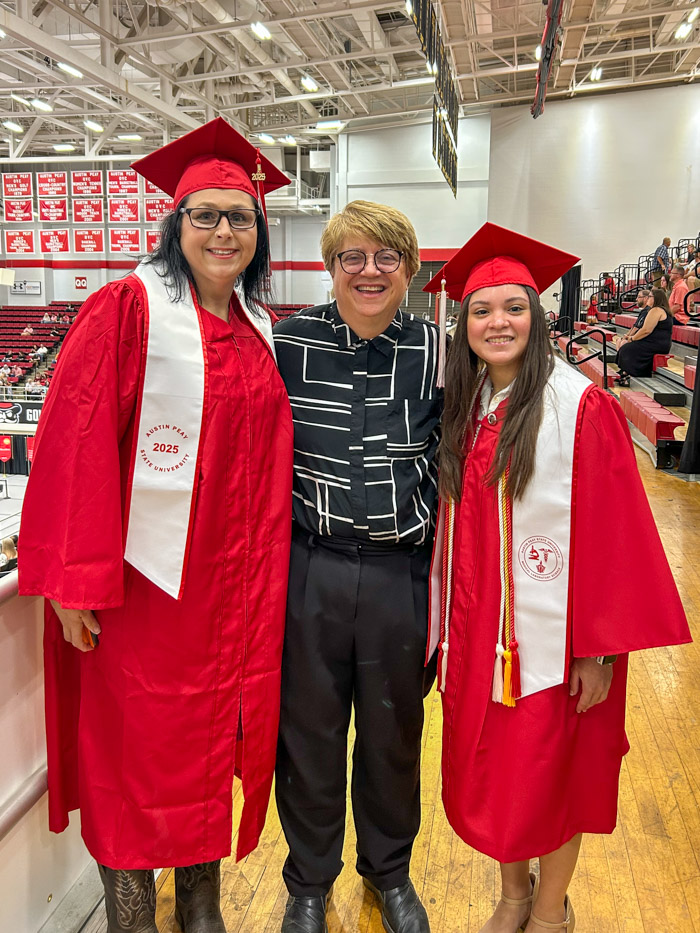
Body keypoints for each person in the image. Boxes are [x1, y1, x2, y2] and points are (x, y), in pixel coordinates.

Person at [19, 118, 295, 933]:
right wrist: (71, 583)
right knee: (136, 754)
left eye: (239, 217)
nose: (222, 231)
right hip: (144, 593)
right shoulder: (127, 311)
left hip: (232, 593)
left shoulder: (257, 329)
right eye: (205, 215)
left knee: (212, 742)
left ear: (258, 232)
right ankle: (133, 917)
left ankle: (200, 903)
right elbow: (73, 440)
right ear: (176, 224)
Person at [424, 223, 691, 933]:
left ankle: (549, 909)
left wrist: (600, 651)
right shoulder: (465, 407)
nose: (497, 322)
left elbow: (615, 535)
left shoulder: (579, 407)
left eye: (513, 307)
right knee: (500, 770)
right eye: (482, 310)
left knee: (555, 771)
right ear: (464, 325)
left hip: (556, 638)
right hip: (478, 632)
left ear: (536, 316)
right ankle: (513, 895)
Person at [273, 200, 442, 933]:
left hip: (401, 575)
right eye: (353, 257)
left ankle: (389, 872)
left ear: (409, 269)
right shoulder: (286, 344)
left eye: (386, 257)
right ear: (331, 267)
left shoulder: (442, 351)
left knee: (392, 735)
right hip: (311, 567)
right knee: (307, 735)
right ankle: (308, 883)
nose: (369, 271)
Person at [614, 287, 672, 386]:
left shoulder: (656, 310)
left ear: (656, 298)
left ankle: (633, 374)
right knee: (627, 347)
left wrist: (632, 338)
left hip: (655, 344)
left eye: (650, 296)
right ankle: (626, 372)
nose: (648, 298)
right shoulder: (662, 310)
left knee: (627, 349)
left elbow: (646, 330)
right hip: (658, 343)